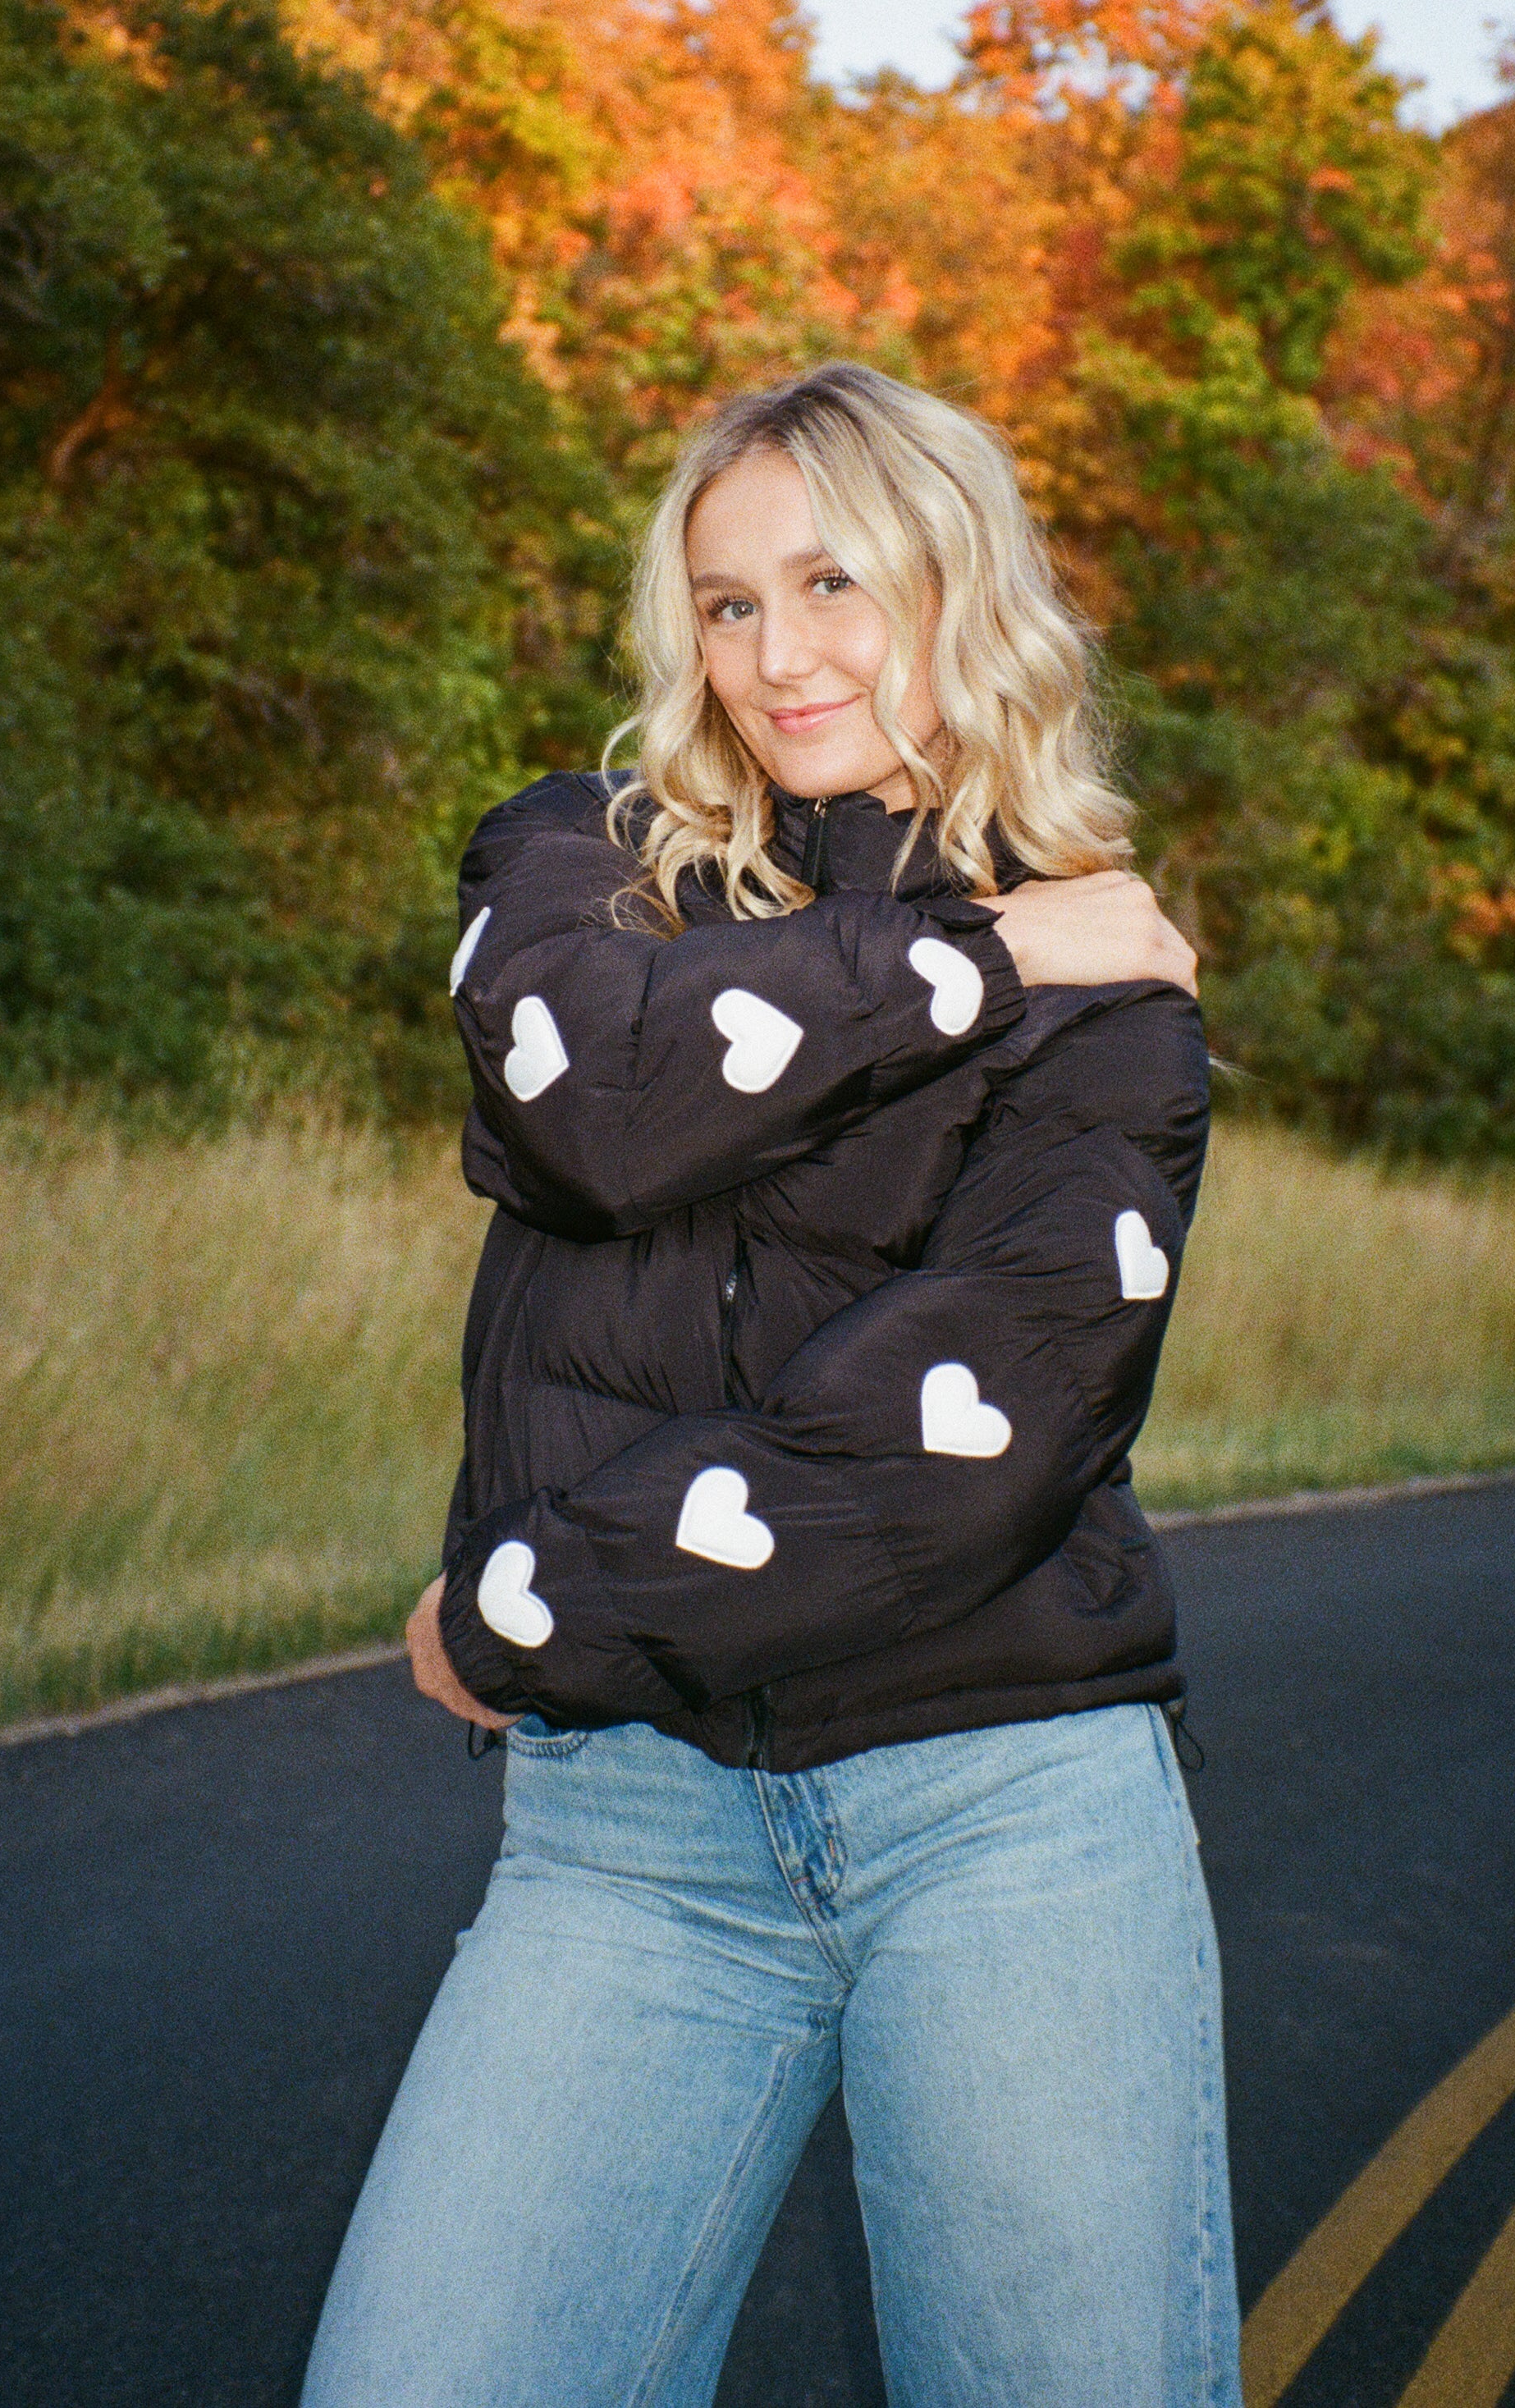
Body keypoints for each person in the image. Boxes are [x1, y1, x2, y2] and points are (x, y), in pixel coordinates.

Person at [301, 362, 1240, 2408]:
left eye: (834, 582)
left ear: (960, 585)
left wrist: (523, 1605)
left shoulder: (1115, 1032)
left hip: (1003, 1821)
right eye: (726, 602)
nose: (776, 654)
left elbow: (941, 1452)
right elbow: (594, 1102)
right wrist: (983, 955)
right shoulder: (580, 860)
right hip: (628, 1839)